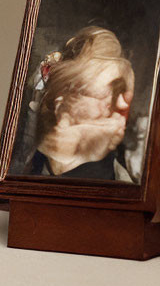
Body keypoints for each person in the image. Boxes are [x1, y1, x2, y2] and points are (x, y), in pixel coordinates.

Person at [25, 26, 143, 181]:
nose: (120, 104)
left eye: (117, 90)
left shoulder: (118, 177)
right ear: (62, 106)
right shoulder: (36, 165)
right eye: (104, 93)